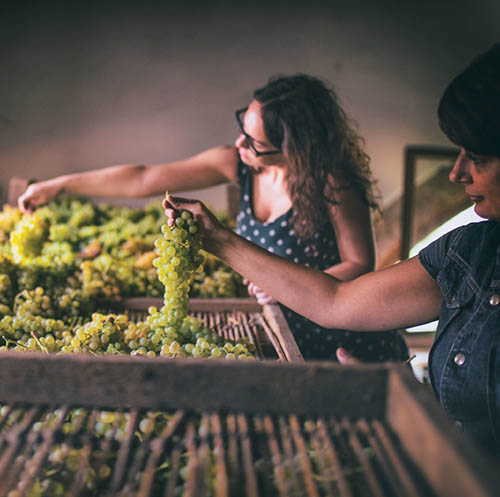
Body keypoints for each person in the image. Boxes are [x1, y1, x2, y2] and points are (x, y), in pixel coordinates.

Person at [163, 44, 500, 458]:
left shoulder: (332, 183)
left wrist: (409, 408)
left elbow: (357, 268)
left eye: (479, 157)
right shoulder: (469, 251)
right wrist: (217, 240)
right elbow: (336, 300)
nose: (455, 173)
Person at [18, 74, 408, 363]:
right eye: (243, 128)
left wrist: (284, 286)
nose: (240, 144)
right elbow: (143, 178)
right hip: (281, 326)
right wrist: (60, 185)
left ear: (297, 149)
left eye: (254, 143)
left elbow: (360, 264)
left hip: (341, 340)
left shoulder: (333, 183)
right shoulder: (235, 163)